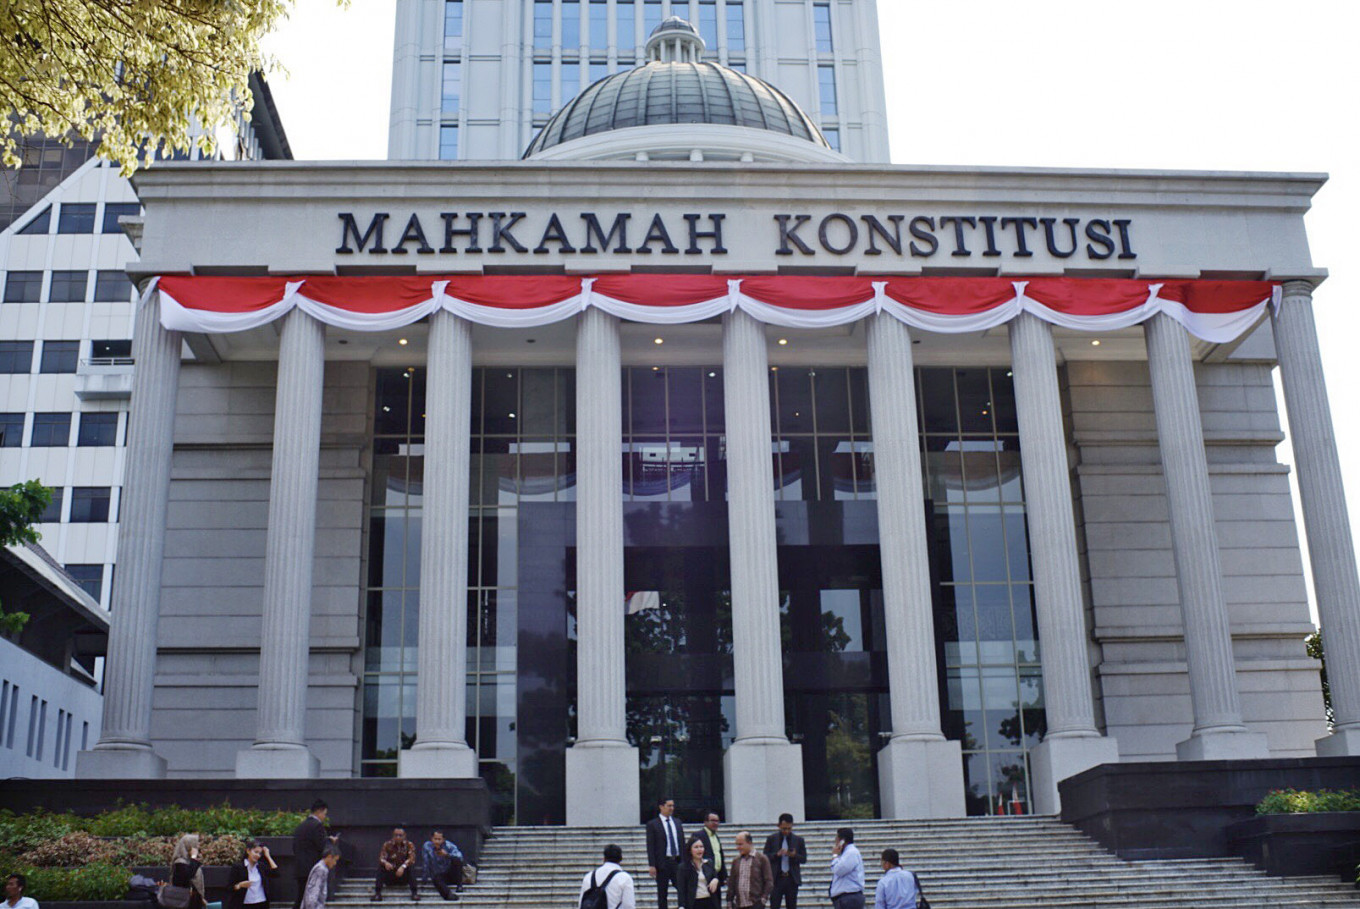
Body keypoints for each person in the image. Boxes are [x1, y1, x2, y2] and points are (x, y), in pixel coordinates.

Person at [644, 797, 685, 909]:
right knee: (662, 893)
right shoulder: (653, 824)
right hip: (662, 863)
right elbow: (650, 846)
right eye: (669, 806)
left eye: (673, 805)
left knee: (683, 889)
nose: (672, 808)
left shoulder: (677, 822)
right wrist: (652, 865)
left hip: (677, 862)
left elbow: (681, 843)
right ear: (661, 807)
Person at [292, 801, 333, 909]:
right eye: (324, 813)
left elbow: (295, 847)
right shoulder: (317, 825)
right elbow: (321, 846)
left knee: (300, 897)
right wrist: (330, 842)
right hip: (312, 869)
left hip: (300, 868)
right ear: (319, 812)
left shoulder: (300, 826)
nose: (325, 816)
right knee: (311, 899)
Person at [761, 814, 806, 909]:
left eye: (789, 828)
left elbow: (803, 859)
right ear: (779, 826)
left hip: (791, 879)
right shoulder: (771, 839)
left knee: (792, 905)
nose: (787, 831)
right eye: (784, 828)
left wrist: (794, 855)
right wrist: (776, 855)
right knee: (774, 905)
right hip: (777, 878)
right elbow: (764, 857)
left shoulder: (798, 840)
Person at [578, 844, 635, 909]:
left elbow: (581, 904)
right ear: (620, 859)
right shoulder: (625, 878)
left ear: (604, 858)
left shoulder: (589, 876)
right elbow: (628, 905)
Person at [725, 832, 771, 909]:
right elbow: (732, 882)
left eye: (740, 844)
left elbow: (769, 881)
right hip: (740, 904)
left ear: (749, 843)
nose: (737, 847)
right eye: (737, 844)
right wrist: (729, 900)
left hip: (756, 904)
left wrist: (763, 899)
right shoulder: (736, 861)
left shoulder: (761, 859)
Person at [373, 827, 419, 901]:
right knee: (381, 867)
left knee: (411, 867)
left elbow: (412, 858)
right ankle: (377, 894)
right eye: (396, 835)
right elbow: (381, 858)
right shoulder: (387, 844)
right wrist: (386, 863)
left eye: (400, 835)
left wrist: (403, 867)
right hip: (391, 874)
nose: (398, 837)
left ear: (404, 836)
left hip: (403, 876)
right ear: (393, 836)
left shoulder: (409, 844)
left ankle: (414, 893)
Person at [228, 841, 278, 909]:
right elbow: (230, 887)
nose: (258, 855)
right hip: (244, 904)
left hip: (261, 903)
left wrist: (268, 856)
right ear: (248, 851)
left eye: (260, 853)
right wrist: (240, 885)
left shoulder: (261, 866)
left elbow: (276, 873)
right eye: (255, 852)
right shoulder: (238, 867)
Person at [675, 836, 719, 909]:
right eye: (696, 847)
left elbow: (715, 876)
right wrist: (681, 906)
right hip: (694, 903)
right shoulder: (683, 868)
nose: (699, 849)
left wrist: (715, 880)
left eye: (701, 847)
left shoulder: (709, 863)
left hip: (709, 901)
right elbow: (681, 889)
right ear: (690, 850)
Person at [421, 831, 464, 902]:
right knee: (435, 878)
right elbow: (426, 862)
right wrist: (424, 878)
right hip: (439, 874)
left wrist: (447, 855)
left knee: (457, 861)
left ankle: (459, 885)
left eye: (439, 839)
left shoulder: (449, 845)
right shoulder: (427, 846)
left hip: (450, 873)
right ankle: (448, 895)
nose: (437, 841)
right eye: (435, 839)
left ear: (443, 839)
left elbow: (460, 857)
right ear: (431, 839)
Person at [828, 828, 864, 909]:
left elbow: (838, 870)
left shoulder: (851, 853)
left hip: (849, 898)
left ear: (842, 841)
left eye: (837, 839)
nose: (835, 841)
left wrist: (835, 856)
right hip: (845, 898)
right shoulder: (846, 853)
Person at [170, 834, 207, 909]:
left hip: (193, 902)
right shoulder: (180, 863)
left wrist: (201, 899)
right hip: (184, 903)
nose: (197, 847)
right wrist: (193, 857)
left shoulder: (189, 862)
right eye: (195, 844)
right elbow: (188, 876)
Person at [696, 811, 726, 904]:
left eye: (717, 821)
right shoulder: (699, 835)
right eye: (712, 820)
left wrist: (723, 875)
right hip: (705, 878)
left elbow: (719, 855)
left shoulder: (715, 836)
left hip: (716, 877)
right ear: (705, 822)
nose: (715, 823)